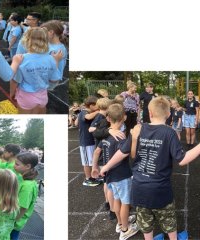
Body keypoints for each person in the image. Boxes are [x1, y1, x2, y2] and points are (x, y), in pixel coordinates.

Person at [100, 96, 200, 240]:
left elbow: (122, 152)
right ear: (168, 114)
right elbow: (182, 159)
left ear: (150, 113)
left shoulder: (139, 129)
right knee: (169, 222)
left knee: (146, 225)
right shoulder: (169, 133)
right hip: (161, 190)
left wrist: (106, 166)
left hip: (139, 189)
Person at [92, 104, 138, 240]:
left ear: (108, 118)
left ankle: (120, 223)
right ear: (124, 117)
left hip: (109, 175)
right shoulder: (121, 136)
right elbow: (129, 154)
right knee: (125, 202)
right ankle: (125, 229)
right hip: (121, 175)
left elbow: (96, 151)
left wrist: (95, 167)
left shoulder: (107, 134)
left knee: (117, 199)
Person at [10, 27, 61, 114]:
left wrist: (11, 93)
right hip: (43, 95)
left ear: (27, 40)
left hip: (26, 95)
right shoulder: (51, 59)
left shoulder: (21, 59)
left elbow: (14, 80)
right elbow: (54, 79)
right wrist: (56, 61)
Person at [10, 152, 39, 240]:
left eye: (17, 164)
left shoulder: (27, 186)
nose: (14, 166)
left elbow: (23, 207)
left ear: (27, 166)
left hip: (15, 221)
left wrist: (12, 221)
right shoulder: (25, 179)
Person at [75, 96, 100, 187]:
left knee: (92, 160)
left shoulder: (90, 112)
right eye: (97, 106)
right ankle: (87, 179)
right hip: (85, 142)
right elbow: (88, 117)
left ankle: (94, 176)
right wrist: (98, 112)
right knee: (86, 162)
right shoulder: (84, 112)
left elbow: (76, 123)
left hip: (91, 141)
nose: (98, 107)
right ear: (91, 105)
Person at [41, 20, 68, 90]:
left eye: (43, 32)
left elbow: (54, 75)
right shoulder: (49, 44)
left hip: (49, 80)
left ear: (51, 32)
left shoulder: (58, 50)